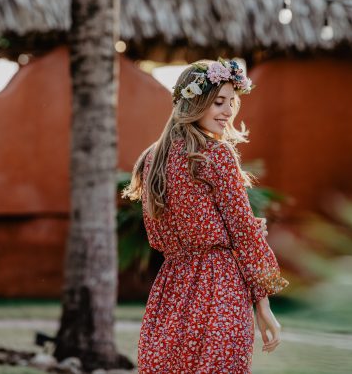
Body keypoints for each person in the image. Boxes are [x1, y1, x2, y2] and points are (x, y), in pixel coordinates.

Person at [122, 58, 289, 373]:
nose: (227, 111)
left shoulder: (152, 159)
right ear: (194, 102)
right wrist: (263, 303)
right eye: (218, 102)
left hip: (171, 290)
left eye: (231, 102)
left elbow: (160, 234)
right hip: (219, 286)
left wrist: (225, 230)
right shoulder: (216, 155)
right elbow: (242, 232)